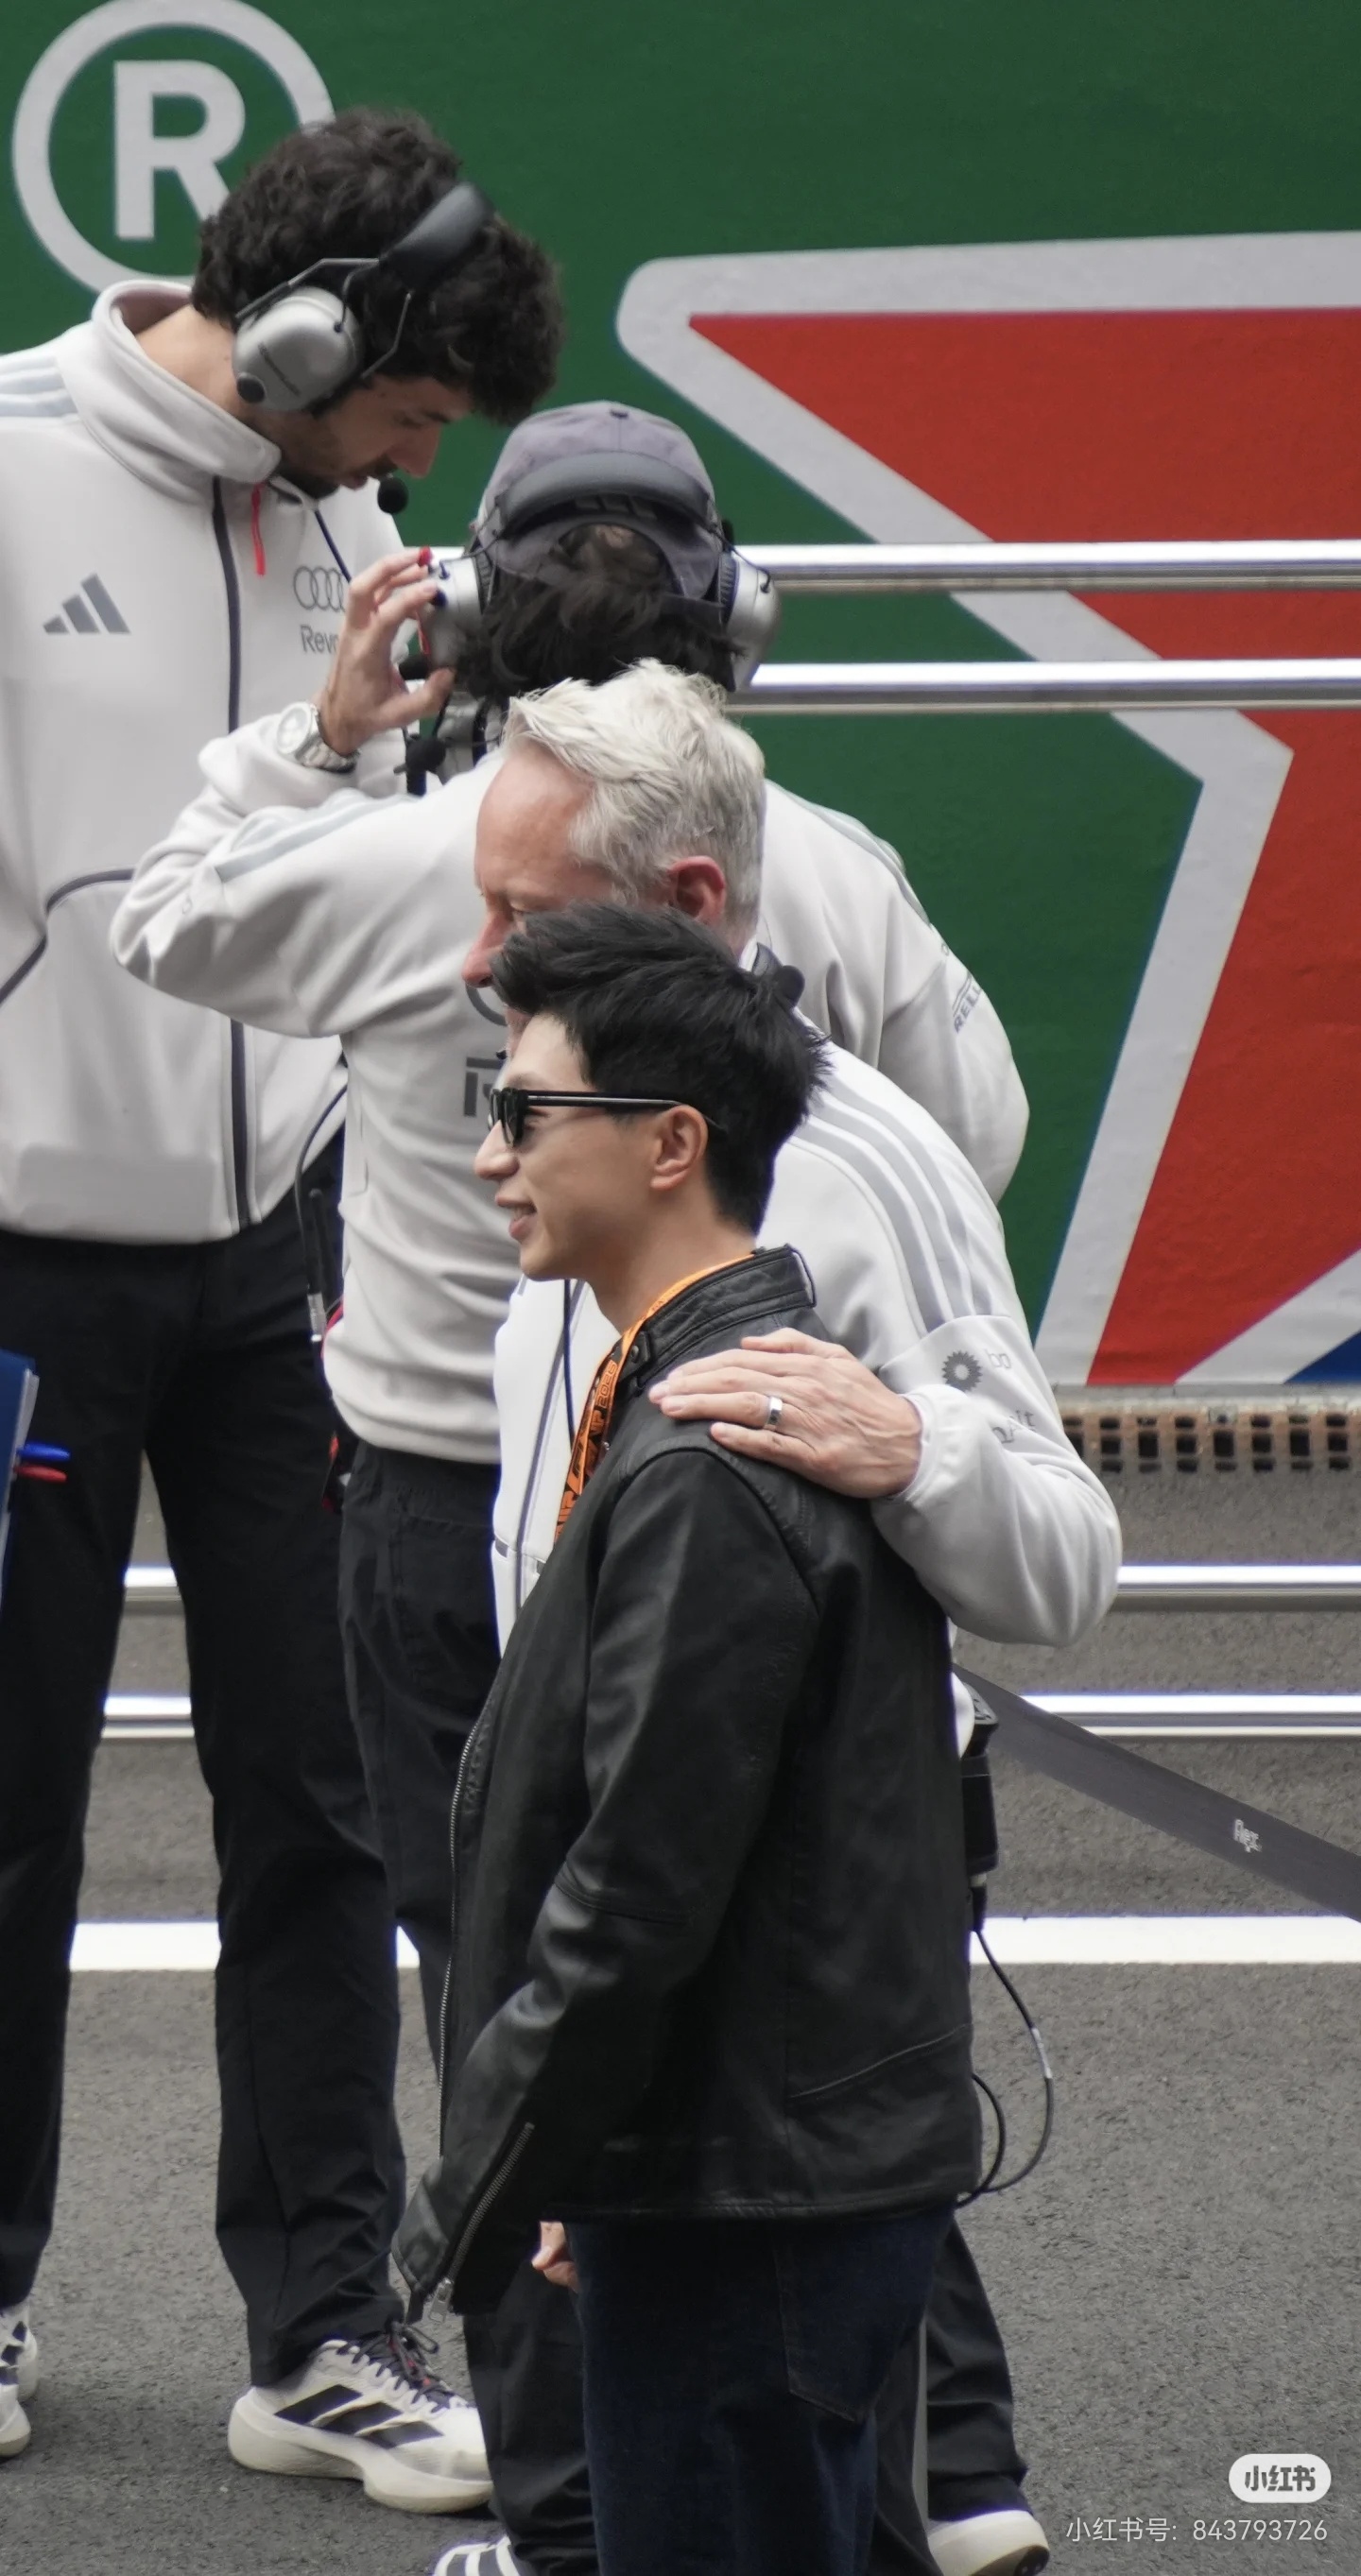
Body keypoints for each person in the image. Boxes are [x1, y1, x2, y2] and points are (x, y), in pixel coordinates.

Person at [116, 638, 1115, 2576]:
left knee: (769, 2427)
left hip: (768, 1973)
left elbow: (1063, 1560)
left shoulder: (859, 1173)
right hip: (635, 1985)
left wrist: (913, 1442)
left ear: (691, 899)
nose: (473, 961)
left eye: (523, 912)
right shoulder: (567, 1164)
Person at [0, 105, 559, 2503]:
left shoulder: (344, 522)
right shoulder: (12, 466)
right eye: (406, 411)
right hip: (19, 1254)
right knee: (4, 1809)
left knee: (327, 1809)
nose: (411, 464)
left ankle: (326, 2327)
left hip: (284, 1262)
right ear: (311, 336)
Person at [394, 902, 982, 2576]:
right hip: (742, 2169)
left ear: (669, 1144)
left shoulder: (715, 1455)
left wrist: (479, 2184)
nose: (492, 1154)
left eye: (526, 1112)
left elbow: (639, 1885)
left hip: (751, 2205)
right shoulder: (733, 1394)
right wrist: (585, 2156)